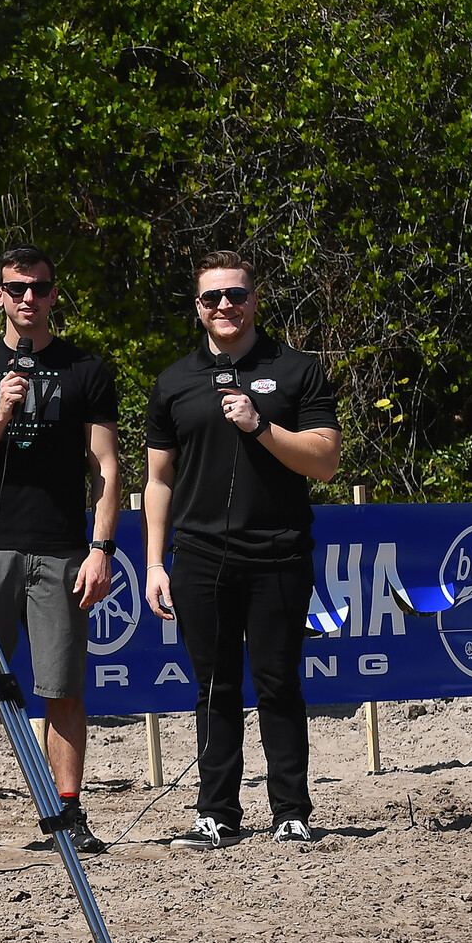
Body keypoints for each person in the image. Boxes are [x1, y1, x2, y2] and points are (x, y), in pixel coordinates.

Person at [142, 251, 341, 850]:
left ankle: (291, 809)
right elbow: (158, 480)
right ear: (197, 308)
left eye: (236, 294)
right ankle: (217, 813)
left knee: (278, 681)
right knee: (213, 687)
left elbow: (326, 462)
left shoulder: (297, 369)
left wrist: (259, 426)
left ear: (255, 299)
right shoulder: (174, 380)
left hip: (279, 550)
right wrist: (155, 561)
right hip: (199, 555)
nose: (224, 306)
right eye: (211, 298)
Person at [0, 244, 120, 857]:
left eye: (39, 288)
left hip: (62, 547)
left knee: (61, 686)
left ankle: (65, 812)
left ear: (53, 294)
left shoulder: (86, 370)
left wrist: (101, 548)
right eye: (17, 289)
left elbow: (107, 470)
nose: (28, 299)